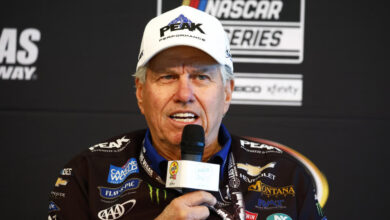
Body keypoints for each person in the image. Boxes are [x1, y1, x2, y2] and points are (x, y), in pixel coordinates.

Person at [48, 6, 326, 220]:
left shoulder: (286, 175)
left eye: (201, 77)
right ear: (140, 92)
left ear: (227, 92)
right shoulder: (88, 174)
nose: (184, 94)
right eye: (167, 76)